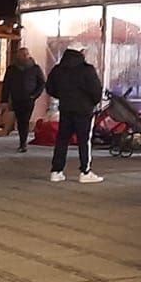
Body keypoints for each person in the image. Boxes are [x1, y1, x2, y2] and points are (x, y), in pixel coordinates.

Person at [46, 44, 104, 183]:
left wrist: (63, 97)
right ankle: (85, 172)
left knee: (62, 140)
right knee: (84, 141)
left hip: (66, 108)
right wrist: (91, 102)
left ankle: (56, 171)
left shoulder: (58, 69)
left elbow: (50, 88)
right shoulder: (87, 70)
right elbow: (96, 91)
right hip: (84, 110)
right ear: (81, 52)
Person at [0, 46, 45, 152]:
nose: (24, 56)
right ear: (18, 56)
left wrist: (34, 95)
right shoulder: (12, 69)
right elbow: (6, 85)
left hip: (29, 99)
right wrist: (4, 100)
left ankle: (23, 143)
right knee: (20, 120)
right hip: (16, 98)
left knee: (24, 120)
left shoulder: (35, 68)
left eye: (26, 54)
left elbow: (42, 83)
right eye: (22, 55)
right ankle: (22, 141)